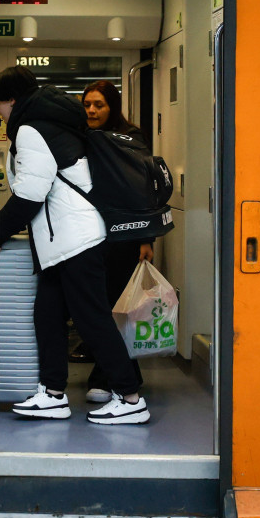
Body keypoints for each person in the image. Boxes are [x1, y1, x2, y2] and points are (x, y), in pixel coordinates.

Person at [0, 66, 149, 425]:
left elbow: (30, 195)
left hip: (76, 240)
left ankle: (130, 398)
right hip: (63, 243)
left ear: (11, 100)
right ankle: (52, 393)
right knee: (47, 314)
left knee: (91, 318)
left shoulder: (31, 130)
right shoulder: (52, 123)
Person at [80, 80, 153, 403]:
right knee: (103, 305)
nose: (92, 110)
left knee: (116, 308)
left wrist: (146, 238)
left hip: (125, 235)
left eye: (99, 105)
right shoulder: (83, 136)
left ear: (113, 107)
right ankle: (126, 373)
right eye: (87, 105)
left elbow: (141, 187)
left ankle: (106, 376)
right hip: (92, 232)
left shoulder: (131, 138)